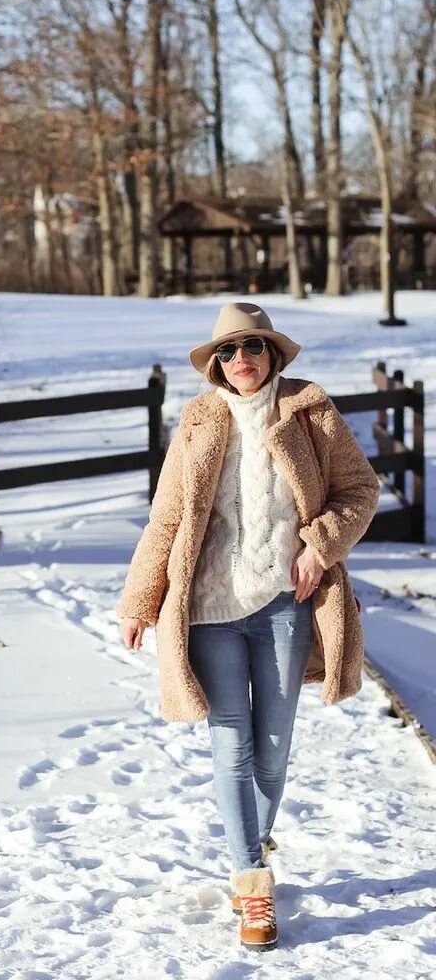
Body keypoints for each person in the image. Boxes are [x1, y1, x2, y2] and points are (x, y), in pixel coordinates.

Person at [117, 302, 380, 952]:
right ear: (214, 364)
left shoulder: (309, 412)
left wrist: (320, 545)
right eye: (229, 351)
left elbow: (361, 490)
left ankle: (250, 840)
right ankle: (253, 885)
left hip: (285, 605)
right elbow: (166, 519)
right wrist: (139, 601)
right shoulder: (199, 422)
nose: (242, 360)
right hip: (210, 609)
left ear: (273, 354)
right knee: (232, 747)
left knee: (274, 746)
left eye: (253, 347)